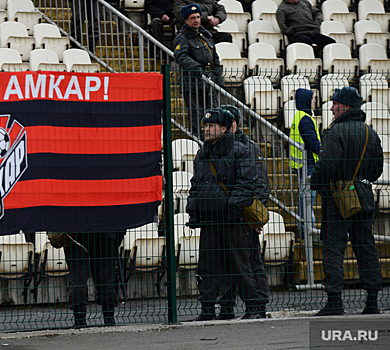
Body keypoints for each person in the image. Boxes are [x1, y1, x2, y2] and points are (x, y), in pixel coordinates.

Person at [310, 87, 384, 316]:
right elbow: (376, 171)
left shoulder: (335, 132)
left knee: (333, 249)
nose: (331, 108)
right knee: (366, 249)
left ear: (346, 106)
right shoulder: (371, 133)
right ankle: (372, 301)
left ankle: (334, 301)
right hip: (364, 196)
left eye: (335, 104)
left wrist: (317, 185)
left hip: (338, 199)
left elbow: (326, 166)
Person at [186, 107, 261, 321]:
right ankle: (208, 308)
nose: (206, 129)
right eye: (206, 126)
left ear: (225, 128)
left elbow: (246, 184)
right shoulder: (203, 152)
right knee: (207, 266)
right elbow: (196, 183)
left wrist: (231, 206)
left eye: (211, 126)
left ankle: (252, 307)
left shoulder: (240, 151)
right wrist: (193, 208)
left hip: (231, 218)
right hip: (209, 219)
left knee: (239, 264)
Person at [217, 105, 270, 320]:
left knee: (251, 260)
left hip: (244, 214)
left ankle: (257, 305)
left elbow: (260, 185)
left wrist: (253, 217)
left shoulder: (249, 148)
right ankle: (227, 306)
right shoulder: (217, 147)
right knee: (228, 261)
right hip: (228, 213)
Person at [173, 4, 223, 139]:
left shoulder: (206, 35)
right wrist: (196, 68)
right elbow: (180, 56)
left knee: (213, 115)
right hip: (193, 83)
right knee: (196, 117)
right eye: (192, 18)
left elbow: (215, 58)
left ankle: (213, 142)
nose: (196, 20)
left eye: (198, 17)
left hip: (209, 81)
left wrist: (218, 76)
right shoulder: (182, 37)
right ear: (186, 21)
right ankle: (198, 143)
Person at [63, 231, 125, 327]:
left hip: (75, 235)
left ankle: (80, 320)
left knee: (78, 277)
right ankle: (109, 318)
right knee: (106, 278)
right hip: (106, 234)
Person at [289, 89, 321, 242]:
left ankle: (305, 229)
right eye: (312, 99)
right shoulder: (306, 119)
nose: (314, 101)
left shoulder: (299, 116)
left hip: (301, 162)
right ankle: (308, 230)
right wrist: (322, 151)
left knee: (305, 197)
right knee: (308, 197)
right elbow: (312, 142)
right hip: (307, 162)